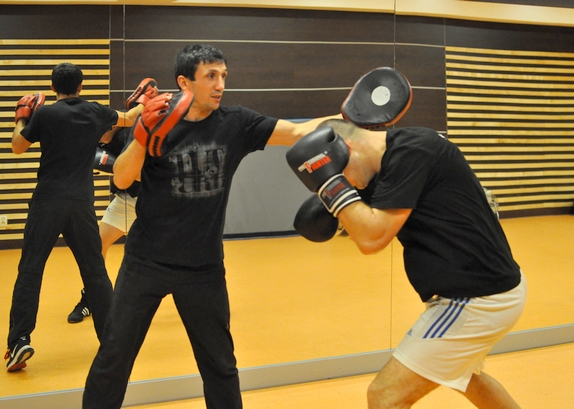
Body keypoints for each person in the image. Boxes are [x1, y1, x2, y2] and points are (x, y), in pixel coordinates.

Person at [82, 44, 340, 409]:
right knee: (113, 358)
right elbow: (122, 179)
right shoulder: (156, 121)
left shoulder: (235, 123)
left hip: (202, 268)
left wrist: (354, 117)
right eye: (211, 76)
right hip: (146, 263)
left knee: (220, 366)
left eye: (223, 76)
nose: (220, 85)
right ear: (184, 82)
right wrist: (142, 135)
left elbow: (299, 131)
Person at [286, 119, 527, 409]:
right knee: (468, 379)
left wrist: (330, 184)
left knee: (384, 396)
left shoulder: (413, 151)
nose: (350, 185)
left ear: (346, 149)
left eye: (342, 175)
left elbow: (371, 239)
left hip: (476, 299)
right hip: (484, 288)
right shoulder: (379, 171)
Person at [5, 62, 155, 373]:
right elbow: (129, 118)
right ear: (81, 87)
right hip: (81, 204)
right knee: (95, 272)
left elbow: (17, 146)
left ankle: (19, 341)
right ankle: (111, 341)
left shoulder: (46, 114)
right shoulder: (95, 110)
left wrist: (21, 118)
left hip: (47, 202)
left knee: (30, 270)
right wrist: (145, 101)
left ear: (53, 88)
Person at [67, 126, 140, 323]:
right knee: (96, 248)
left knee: (179, 250)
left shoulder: (131, 135)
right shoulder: (100, 142)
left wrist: (114, 165)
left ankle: (200, 297)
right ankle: (91, 298)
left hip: (153, 202)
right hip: (126, 202)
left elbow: (147, 172)